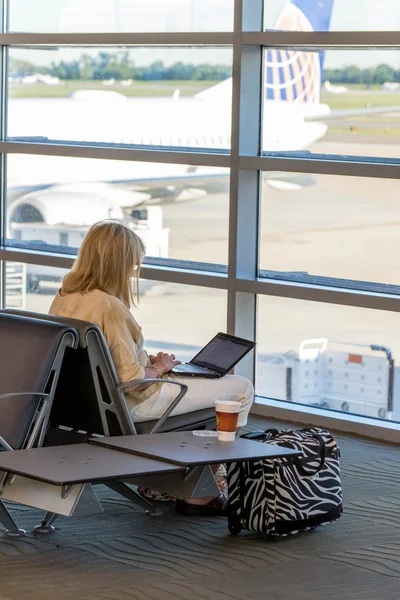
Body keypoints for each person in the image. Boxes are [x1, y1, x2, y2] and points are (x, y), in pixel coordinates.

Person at [49, 220, 254, 515]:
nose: (133, 271)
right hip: (132, 404)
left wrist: (154, 364)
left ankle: (168, 480)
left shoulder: (65, 295)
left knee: (215, 388)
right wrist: (158, 370)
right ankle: (204, 491)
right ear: (119, 264)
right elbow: (132, 381)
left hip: (83, 407)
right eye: (132, 264)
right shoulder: (109, 306)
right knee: (239, 389)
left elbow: (103, 364)